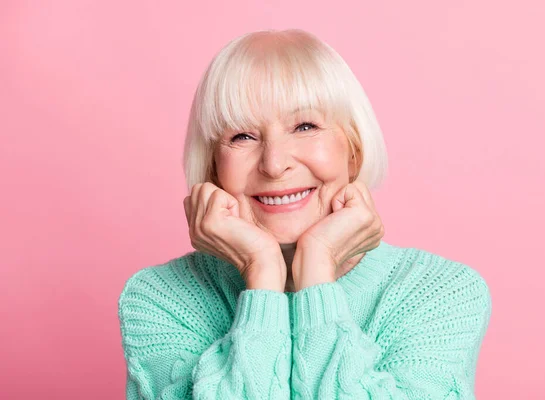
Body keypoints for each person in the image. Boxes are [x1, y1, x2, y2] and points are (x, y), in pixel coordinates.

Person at [118, 28, 492, 399]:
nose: (274, 164)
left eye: (305, 126)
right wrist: (261, 272)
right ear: (214, 167)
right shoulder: (159, 299)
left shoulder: (441, 294)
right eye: (242, 137)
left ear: (354, 151)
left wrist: (317, 270)